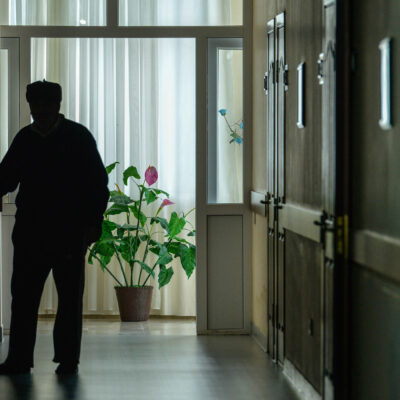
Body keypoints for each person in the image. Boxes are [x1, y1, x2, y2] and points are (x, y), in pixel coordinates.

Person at [0, 80, 109, 375]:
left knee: (70, 299)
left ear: (58, 105)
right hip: (30, 233)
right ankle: (19, 359)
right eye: (37, 104)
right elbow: (6, 177)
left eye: (47, 103)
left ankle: (68, 360)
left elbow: (98, 184)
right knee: (22, 297)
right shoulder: (24, 139)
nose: (42, 109)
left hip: (69, 233)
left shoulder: (78, 137)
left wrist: (93, 223)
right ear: (30, 105)